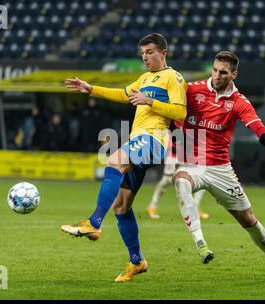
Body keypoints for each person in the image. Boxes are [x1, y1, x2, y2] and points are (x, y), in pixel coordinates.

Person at [61, 33, 187, 282]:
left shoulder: (174, 77)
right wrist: (91, 89)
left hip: (154, 139)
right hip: (138, 140)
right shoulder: (145, 78)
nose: (145, 57)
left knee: (114, 162)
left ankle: (94, 222)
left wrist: (149, 101)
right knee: (121, 206)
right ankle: (137, 261)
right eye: (142, 53)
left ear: (163, 52)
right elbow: (124, 94)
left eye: (149, 52)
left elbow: (180, 112)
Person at [173, 51, 265, 279]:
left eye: (223, 72)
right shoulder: (192, 90)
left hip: (220, 169)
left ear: (234, 74)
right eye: (214, 70)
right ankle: (200, 242)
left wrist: (263, 134)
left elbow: (254, 121)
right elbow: (169, 104)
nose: (216, 75)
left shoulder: (238, 101)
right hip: (192, 162)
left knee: (249, 220)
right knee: (180, 180)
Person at [146, 120, 209, 220]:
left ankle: (195, 207)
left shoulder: (192, 114)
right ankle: (152, 206)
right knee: (166, 180)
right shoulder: (175, 114)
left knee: (202, 178)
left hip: (189, 152)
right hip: (174, 152)